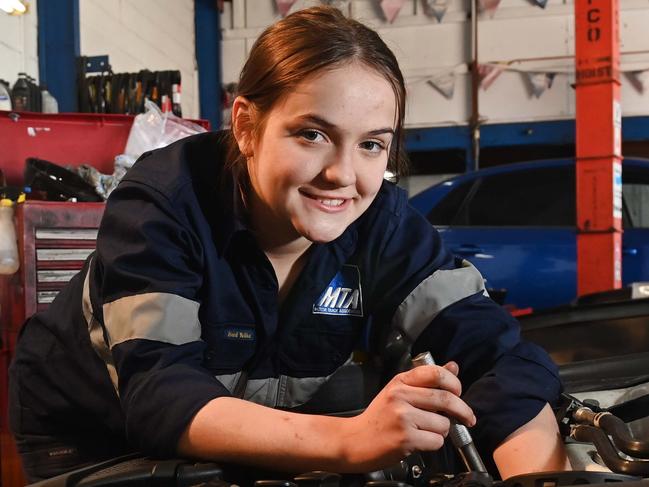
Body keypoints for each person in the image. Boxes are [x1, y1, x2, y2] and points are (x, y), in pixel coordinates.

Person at [9, 6, 570, 483]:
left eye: (373, 144)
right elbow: (163, 397)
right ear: (248, 127)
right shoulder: (164, 204)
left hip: (256, 419)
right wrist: (351, 439)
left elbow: (495, 354)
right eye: (312, 134)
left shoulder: (382, 221)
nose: (342, 174)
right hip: (95, 436)